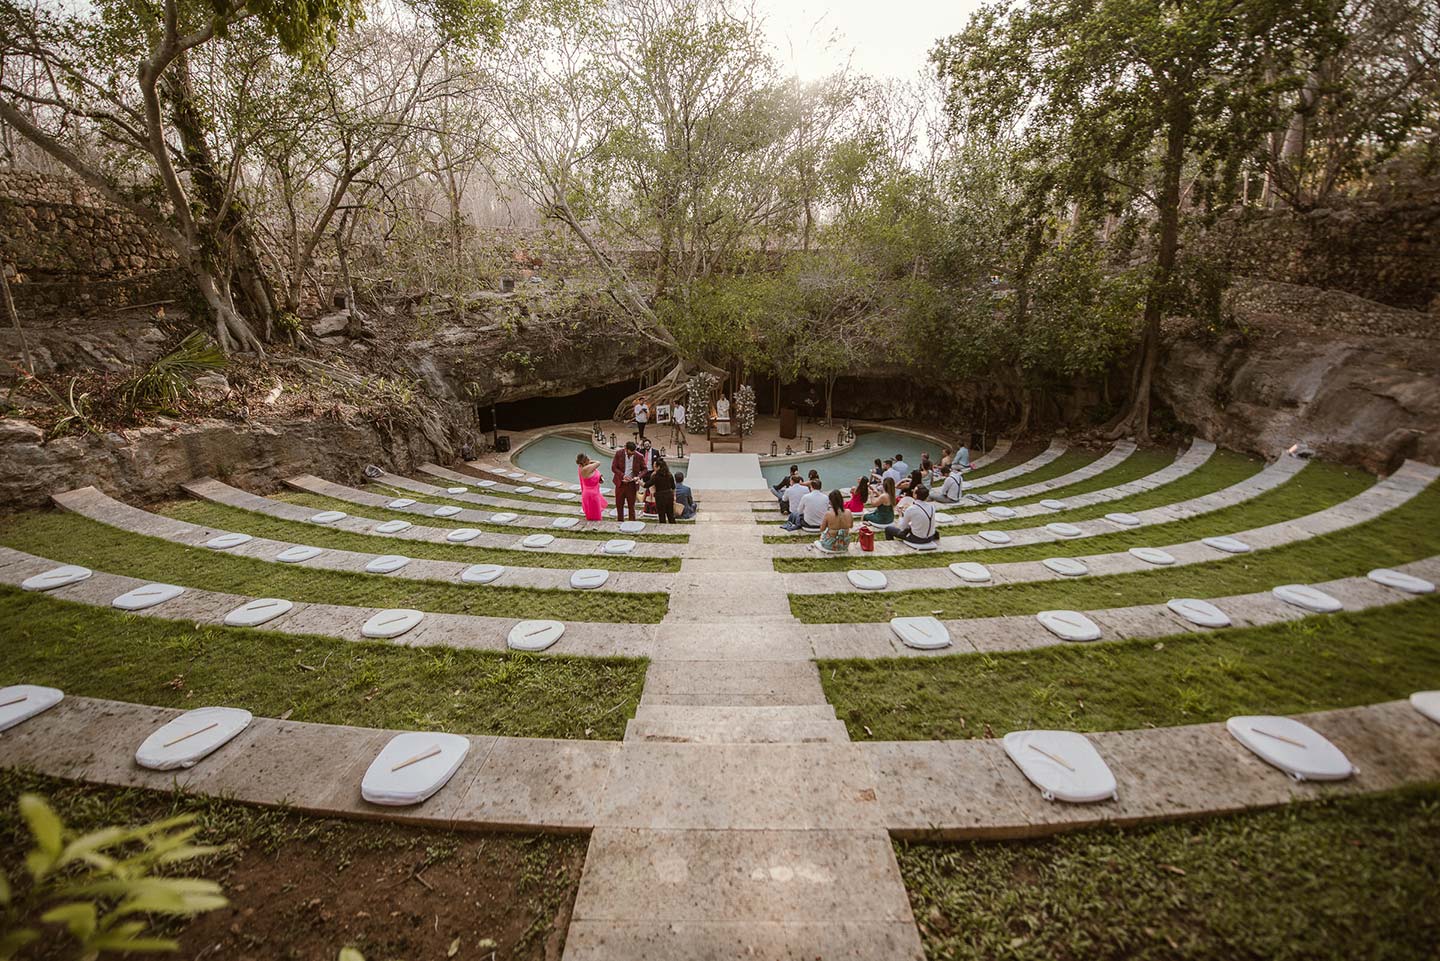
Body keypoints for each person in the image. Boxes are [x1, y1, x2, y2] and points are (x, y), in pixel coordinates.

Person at [611, 441, 644, 522]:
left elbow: (645, 469)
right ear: (626, 449)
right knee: (619, 505)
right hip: (620, 483)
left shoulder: (639, 456)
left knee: (631, 505)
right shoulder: (619, 454)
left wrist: (638, 477)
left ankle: (632, 522)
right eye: (631, 452)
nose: (632, 454)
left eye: (634, 452)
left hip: (632, 484)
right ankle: (620, 521)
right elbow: (614, 467)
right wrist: (623, 475)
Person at [816, 489, 854, 553]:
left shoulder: (828, 514)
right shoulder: (849, 512)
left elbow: (822, 529)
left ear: (831, 502)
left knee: (820, 538)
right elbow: (851, 526)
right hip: (844, 545)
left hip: (830, 545)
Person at [577, 452, 608, 522]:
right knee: (595, 514)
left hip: (592, 492)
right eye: (589, 459)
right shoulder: (585, 469)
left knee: (593, 513)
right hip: (592, 494)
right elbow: (598, 463)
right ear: (586, 461)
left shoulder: (582, 467)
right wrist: (590, 461)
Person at [651, 456, 677, 523]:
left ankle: (663, 528)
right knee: (670, 514)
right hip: (668, 496)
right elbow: (673, 487)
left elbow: (650, 486)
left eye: (655, 466)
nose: (653, 467)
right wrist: (674, 496)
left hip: (660, 497)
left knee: (662, 515)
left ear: (658, 467)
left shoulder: (655, 476)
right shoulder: (669, 474)